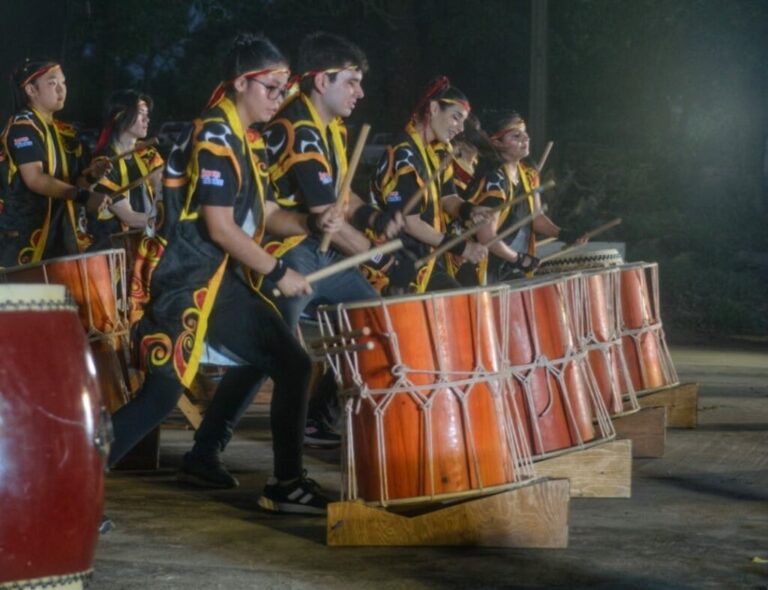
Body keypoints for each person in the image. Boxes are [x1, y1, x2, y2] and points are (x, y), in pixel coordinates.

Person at [109, 33, 341, 515]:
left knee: (287, 360)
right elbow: (219, 227)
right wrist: (279, 271)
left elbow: (266, 211)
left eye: (284, 90)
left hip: (220, 285)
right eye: (272, 88)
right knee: (158, 400)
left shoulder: (243, 139)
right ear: (240, 83)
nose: (280, 99)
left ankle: (287, 483)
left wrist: (313, 222)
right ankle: (60, 479)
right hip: (190, 284)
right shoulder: (214, 135)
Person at [369, 76, 487, 293]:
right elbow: (409, 223)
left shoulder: (436, 153)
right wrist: (462, 247)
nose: (461, 128)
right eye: (456, 118)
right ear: (433, 109)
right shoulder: (404, 154)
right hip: (397, 264)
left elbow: (447, 198)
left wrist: (468, 209)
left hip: (426, 260)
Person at [0, 58, 109, 267]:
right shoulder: (23, 126)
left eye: (63, 83)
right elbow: (35, 179)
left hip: (55, 235)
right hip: (23, 237)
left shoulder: (61, 131)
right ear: (31, 90)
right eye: (52, 83)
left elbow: (72, 184)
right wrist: (85, 196)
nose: (61, 90)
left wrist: (91, 176)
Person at [464, 111, 586, 284]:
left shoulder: (528, 175)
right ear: (497, 142)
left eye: (525, 133)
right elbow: (486, 236)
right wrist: (519, 259)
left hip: (511, 265)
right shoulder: (495, 179)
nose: (525, 138)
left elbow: (535, 217)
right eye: (516, 135)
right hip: (488, 266)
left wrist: (563, 234)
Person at [88, 90, 163, 250]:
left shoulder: (148, 154)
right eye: (140, 113)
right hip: (115, 252)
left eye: (147, 113)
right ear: (120, 117)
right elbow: (130, 218)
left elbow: (163, 191)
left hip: (145, 244)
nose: (147, 119)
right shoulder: (103, 164)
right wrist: (167, 222)